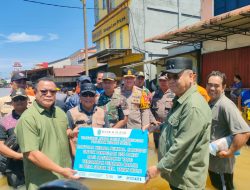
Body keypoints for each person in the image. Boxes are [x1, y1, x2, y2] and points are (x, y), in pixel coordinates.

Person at [147, 57, 212, 190]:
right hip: (177, 175)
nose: (170, 81)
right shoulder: (180, 100)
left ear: (191, 77)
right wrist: (158, 127)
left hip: (186, 181)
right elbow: (177, 128)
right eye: (168, 76)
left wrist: (158, 168)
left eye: (176, 76)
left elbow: (181, 147)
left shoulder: (193, 106)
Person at [15, 77, 78, 190]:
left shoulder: (60, 112)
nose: (48, 94)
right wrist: (61, 170)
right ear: (35, 93)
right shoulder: (28, 119)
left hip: (65, 179)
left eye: (52, 91)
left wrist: (71, 134)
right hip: (42, 183)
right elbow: (32, 154)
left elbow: (66, 133)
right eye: (44, 91)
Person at [206, 71, 250, 190]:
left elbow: (244, 133)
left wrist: (230, 152)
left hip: (221, 165)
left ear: (224, 87)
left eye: (216, 85)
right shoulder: (211, 102)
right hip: (212, 162)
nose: (212, 88)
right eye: (210, 84)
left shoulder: (226, 105)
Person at [66, 83, 108, 156]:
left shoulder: (102, 112)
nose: (88, 98)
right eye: (85, 95)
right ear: (80, 97)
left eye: (91, 95)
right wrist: (71, 134)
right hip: (79, 155)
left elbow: (108, 133)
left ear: (95, 97)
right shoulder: (71, 113)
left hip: (99, 155)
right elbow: (67, 133)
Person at [0, 88, 28, 188]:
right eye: (16, 99)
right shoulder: (4, 121)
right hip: (14, 167)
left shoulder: (36, 117)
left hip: (36, 164)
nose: (19, 101)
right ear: (12, 102)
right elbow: (1, 146)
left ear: (27, 100)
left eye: (22, 98)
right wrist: (20, 156)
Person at [150, 72, 175, 149]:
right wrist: (152, 120)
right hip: (157, 129)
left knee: (169, 149)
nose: (162, 82)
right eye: (160, 80)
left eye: (165, 80)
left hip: (170, 129)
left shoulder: (175, 94)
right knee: (157, 149)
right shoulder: (153, 94)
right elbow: (149, 110)